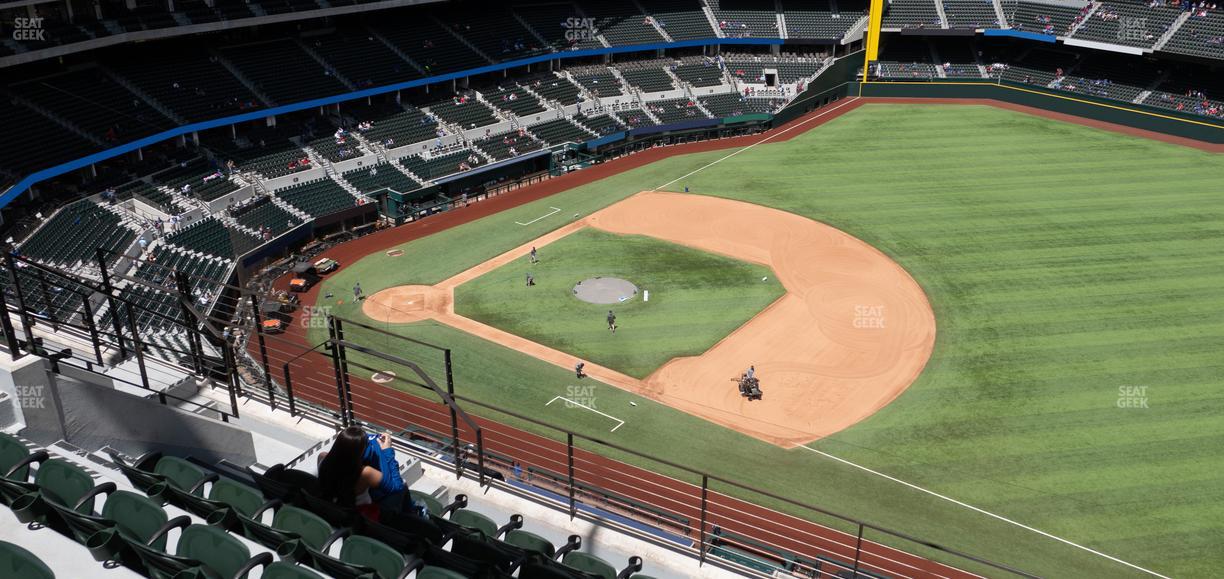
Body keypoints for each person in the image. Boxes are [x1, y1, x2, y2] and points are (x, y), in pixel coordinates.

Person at [317, 427, 427, 519]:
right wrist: (387, 451)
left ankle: (412, 515)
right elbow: (397, 487)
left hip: (332, 509)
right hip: (360, 517)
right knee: (403, 486)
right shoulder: (365, 473)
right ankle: (414, 517)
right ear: (359, 451)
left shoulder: (322, 457)